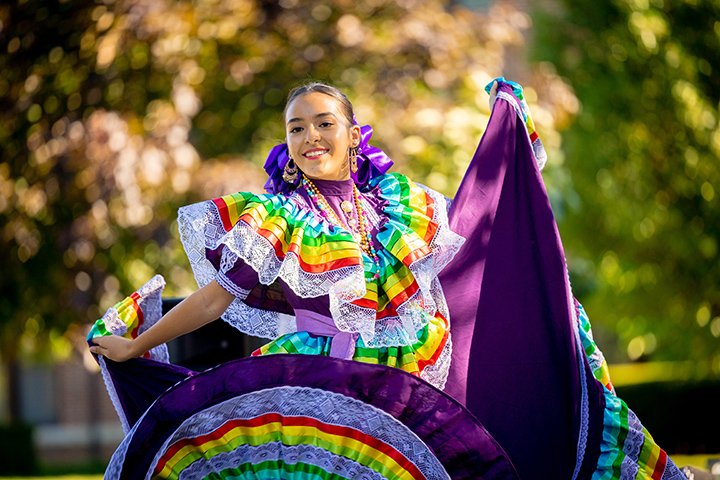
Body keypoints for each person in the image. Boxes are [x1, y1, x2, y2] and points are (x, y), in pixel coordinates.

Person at [89, 80, 688, 479]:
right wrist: (137, 345)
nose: (310, 138)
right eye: (296, 128)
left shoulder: (403, 209)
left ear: (354, 135)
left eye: (324, 123)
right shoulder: (274, 218)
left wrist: (509, 143)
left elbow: (479, 230)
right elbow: (217, 296)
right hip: (322, 377)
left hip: (408, 377)